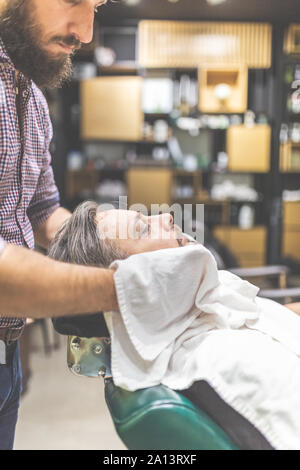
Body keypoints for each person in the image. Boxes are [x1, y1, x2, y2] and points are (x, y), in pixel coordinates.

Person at [48, 201, 300, 450]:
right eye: (143, 229)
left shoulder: (203, 311)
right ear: (138, 280)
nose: (167, 218)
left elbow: (264, 316)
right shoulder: (225, 357)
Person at [0, 0, 119, 450]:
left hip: (7, 354)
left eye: (97, 6)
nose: (86, 32)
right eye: (73, 0)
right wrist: (127, 288)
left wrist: (113, 238)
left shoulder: (30, 97)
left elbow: (44, 212)